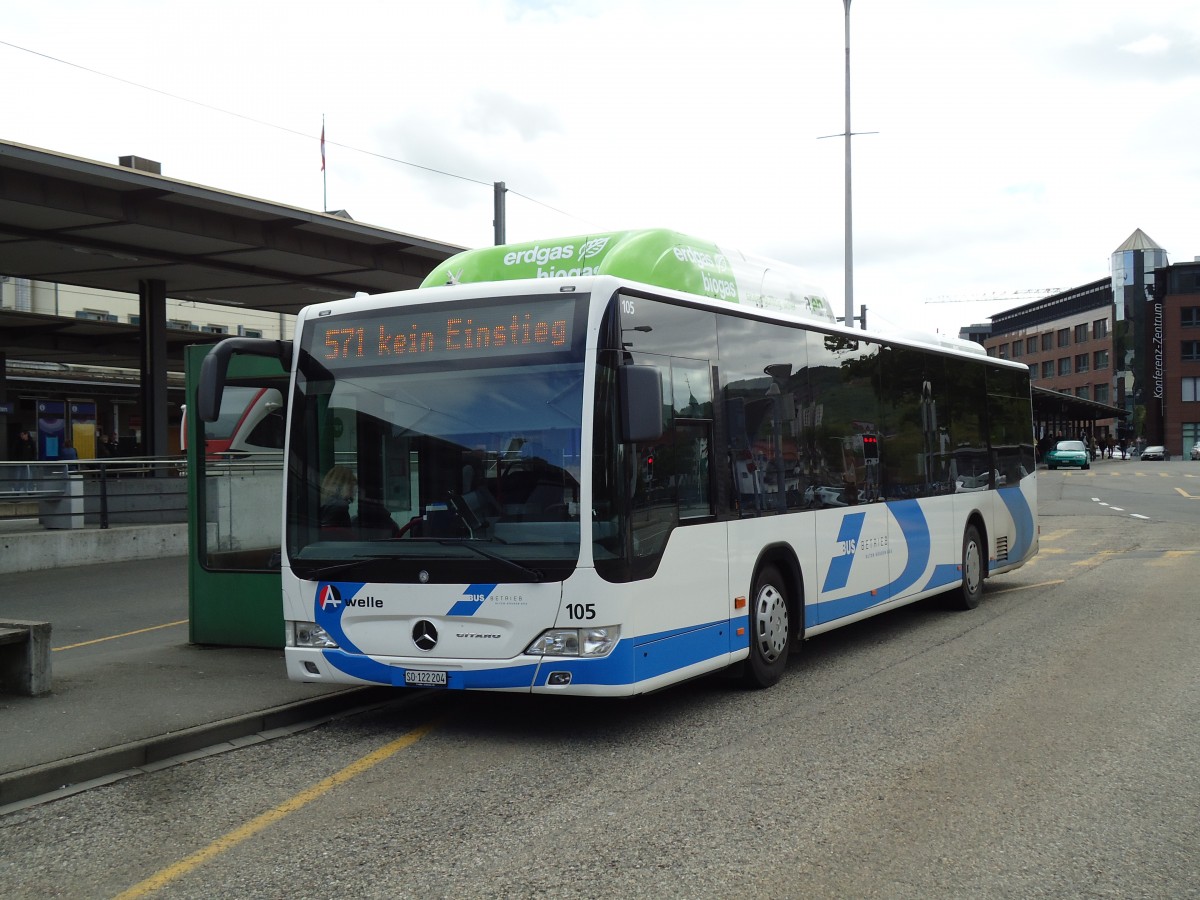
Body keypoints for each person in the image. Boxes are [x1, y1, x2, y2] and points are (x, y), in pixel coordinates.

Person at [319, 465, 357, 532]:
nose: (355, 489)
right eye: (353, 484)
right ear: (344, 485)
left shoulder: (326, 502)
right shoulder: (339, 506)